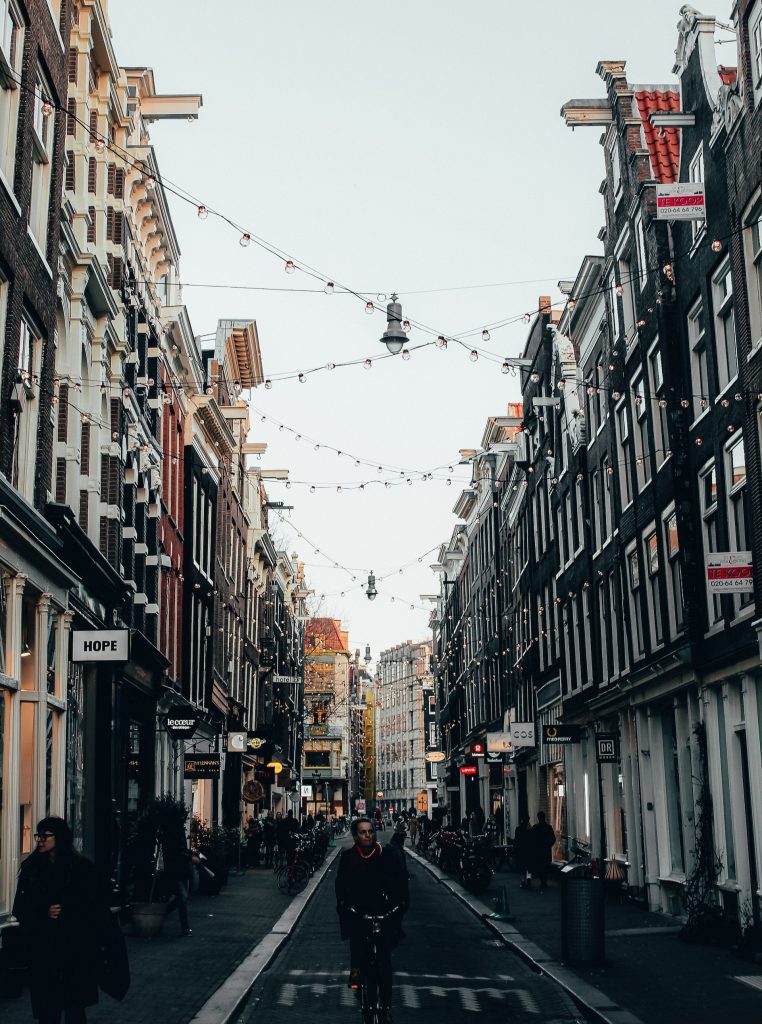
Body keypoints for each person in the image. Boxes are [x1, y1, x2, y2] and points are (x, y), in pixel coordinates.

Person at [13, 817, 110, 1024]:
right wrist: (43, 913)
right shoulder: (32, 869)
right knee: (48, 1011)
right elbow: (20, 908)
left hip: (75, 952)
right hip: (44, 952)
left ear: (60, 838)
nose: (39, 840)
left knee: (75, 1010)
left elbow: (94, 909)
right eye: (38, 835)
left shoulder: (81, 868)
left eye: (45, 836)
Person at [335, 817, 409, 1024]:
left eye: (370, 831)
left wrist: (399, 907)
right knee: (358, 951)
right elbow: (341, 887)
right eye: (362, 832)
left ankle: (385, 1006)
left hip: (384, 915)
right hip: (359, 915)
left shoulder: (388, 856)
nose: (367, 835)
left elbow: (400, 884)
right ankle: (357, 982)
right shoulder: (349, 858)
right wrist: (345, 907)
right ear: (355, 835)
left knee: (384, 962)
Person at [160, 820, 193, 936]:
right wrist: (190, 856)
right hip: (176, 870)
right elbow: (177, 851)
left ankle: (162, 915)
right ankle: (184, 928)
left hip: (180, 870)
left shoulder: (176, 831)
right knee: (182, 898)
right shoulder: (174, 832)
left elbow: (180, 849)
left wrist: (191, 853)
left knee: (181, 898)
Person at [528, 811, 556, 892]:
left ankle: (541, 881)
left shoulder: (535, 827)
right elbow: (553, 839)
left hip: (538, 850)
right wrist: (549, 845)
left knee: (540, 866)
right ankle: (544, 881)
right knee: (545, 866)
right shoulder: (548, 827)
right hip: (546, 850)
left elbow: (531, 838)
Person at [513, 816, 532, 888]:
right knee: (529, 868)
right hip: (528, 850)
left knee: (522, 867)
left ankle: (523, 881)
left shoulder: (518, 829)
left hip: (521, 850)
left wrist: (515, 850)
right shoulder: (529, 829)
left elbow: (516, 840)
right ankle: (529, 880)